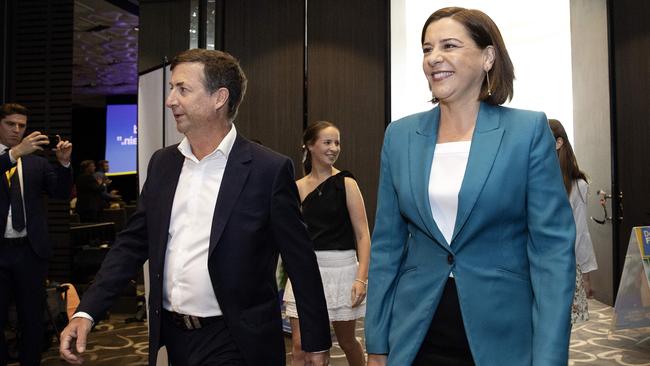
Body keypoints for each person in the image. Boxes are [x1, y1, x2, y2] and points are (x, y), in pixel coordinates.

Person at [59, 49, 331, 366]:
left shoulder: (267, 169)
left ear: (219, 98)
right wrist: (87, 311)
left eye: (182, 89)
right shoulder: (163, 164)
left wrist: (315, 340)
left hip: (236, 339)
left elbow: (300, 260)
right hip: (174, 339)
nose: (170, 100)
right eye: (172, 88)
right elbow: (132, 243)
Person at [365, 7, 576, 366]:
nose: (434, 58)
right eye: (427, 48)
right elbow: (387, 246)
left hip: (502, 332)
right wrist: (377, 343)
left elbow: (552, 254)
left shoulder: (527, 132)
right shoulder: (399, 137)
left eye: (449, 45)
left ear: (488, 57)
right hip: (416, 330)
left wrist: (549, 355)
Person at [284, 121, 370, 366]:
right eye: (327, 142)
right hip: (307, 271)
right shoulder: (296, 188)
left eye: (337, 142)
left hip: (342, 270)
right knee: (301, 346)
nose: (334, 148)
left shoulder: (346, 183)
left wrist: (361, 278)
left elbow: (363, 234)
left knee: (346, 342)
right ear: (310, 146)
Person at [0, 103, 73, 365]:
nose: (17, 130)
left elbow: (61, 194)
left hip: (30, 251)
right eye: (10, 124)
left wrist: (64, 164)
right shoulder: (10, 157)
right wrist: (13, 154)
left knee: (31, 318)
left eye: (21, 125)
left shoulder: (36, 163)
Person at [549, 118, 598, 323]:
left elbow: (580, 232)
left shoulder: (577, 186)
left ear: (558, 143)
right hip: (532, 266)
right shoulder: (533, 178)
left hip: (563, 267)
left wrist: (586, 274)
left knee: (559, 329)